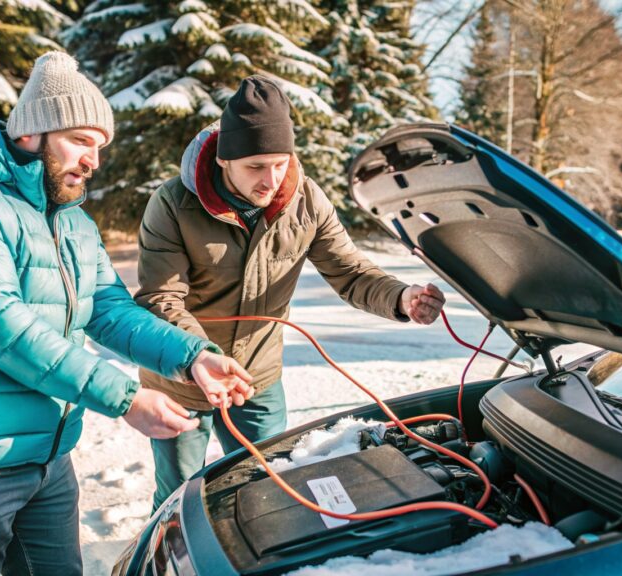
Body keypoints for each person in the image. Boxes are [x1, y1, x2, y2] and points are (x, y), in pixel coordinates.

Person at [0, 51, 252, 576]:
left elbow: (107, 310)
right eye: (81, 140)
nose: (94, 160)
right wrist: (124, 397)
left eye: (100, 145)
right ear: (33, 132)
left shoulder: (71, 221)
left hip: (48, 454)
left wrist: (191, 355)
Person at [136, 75, 446, 511]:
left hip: (257, 378)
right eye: (255, 166)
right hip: (181, 376)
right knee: (179, 495)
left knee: (269, 485)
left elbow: (350, 272)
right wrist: (200, 358)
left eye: (279, 162)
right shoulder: (172, 204)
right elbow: (160, 300)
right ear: (225, 160)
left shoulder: (306, 200)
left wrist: (400, 297)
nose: (270, 178)